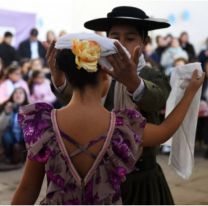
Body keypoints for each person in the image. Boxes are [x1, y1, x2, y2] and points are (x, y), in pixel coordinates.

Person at [11, 34, 204, 204]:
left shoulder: (45, 125)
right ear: (105, 76)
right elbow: (165, 131)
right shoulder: (122, 128)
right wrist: (190, 92)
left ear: (65, 76)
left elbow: (27, 190)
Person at [50, 6, 174, 204]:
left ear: (145, 42)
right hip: (102, 177)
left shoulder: (151, 75)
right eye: (115, 37)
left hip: (142, 178)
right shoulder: (100, 73)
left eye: (130, 38)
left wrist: (133, 82)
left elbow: (158, 99)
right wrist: (60, 81)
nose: (121, 44)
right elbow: (79, 101)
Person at [0, 88, 29, 166]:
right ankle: (9, 156)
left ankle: (24, 156)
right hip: (11, 135)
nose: (18, 95)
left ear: (25, 96)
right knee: (6, 137)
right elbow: (1, 127)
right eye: (15, 93)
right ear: (12, 96)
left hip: (24, 135)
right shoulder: (7, 107)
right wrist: (6, 113)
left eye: (21, 93)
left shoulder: (30, 108)